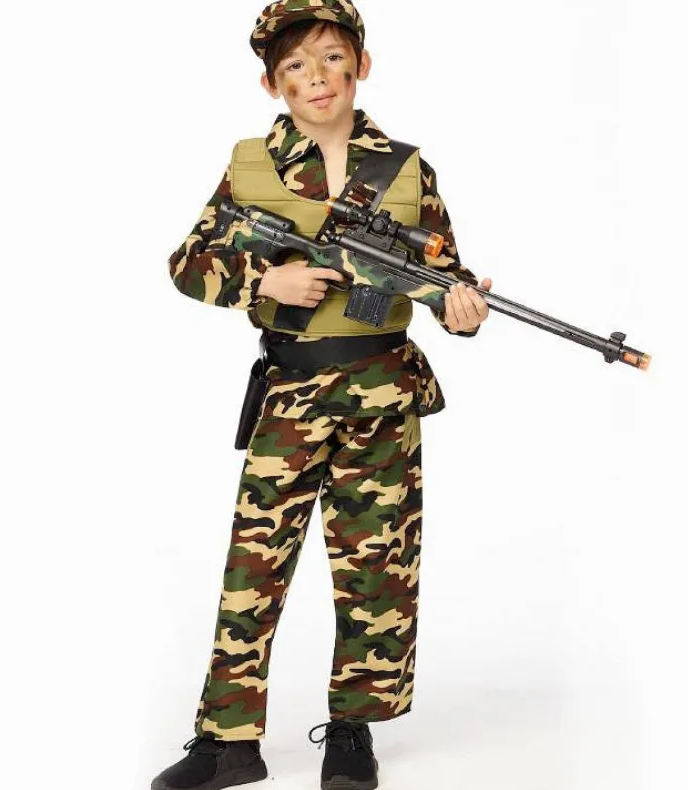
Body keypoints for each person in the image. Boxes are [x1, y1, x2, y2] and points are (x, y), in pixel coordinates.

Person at [152, 2, 491, 789]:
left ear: (361, 66)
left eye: (333, 57)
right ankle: (226, 743)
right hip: (292, 391)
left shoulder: (405, 169)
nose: (316, 78)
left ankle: (351, 733)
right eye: (296, 65)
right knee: (254, 565)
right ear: (271, 83)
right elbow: (187, 264)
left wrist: (463, 309)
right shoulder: (250, 166)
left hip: (383, 394)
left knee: (378, 568)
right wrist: (263, 281)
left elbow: (445, 277)